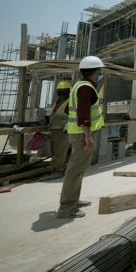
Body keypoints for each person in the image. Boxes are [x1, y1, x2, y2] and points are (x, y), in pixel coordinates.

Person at [57, 56, 105, 219]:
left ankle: (73, 200)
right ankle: (67, 207)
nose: (99, 75)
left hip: (76, 133)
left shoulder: (78, 85)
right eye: (99, 72)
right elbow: (83, 115)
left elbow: (68, 110)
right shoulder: (86, 88)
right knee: (75, 170)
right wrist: (88, 136)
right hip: (82, 135)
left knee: (78, 170)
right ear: (94, 72)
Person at [44, 80, 71, 179]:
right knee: (54, 152)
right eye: (60, 92)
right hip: (54, 130)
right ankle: (57, 169)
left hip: (63, 131)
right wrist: (47, 120)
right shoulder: (57, 103)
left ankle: (58, 171)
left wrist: (67, 127)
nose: (61, 94)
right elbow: (53, 115)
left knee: (60, 152)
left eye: (63, 92)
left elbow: (74, 116)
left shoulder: (70, 102)